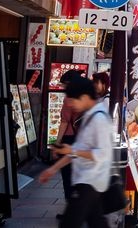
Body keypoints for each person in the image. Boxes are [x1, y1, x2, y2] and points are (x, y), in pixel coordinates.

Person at [39, 77, 113, 228]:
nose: (71, 105)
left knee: (69, 224)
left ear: (85, 97)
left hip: (90, 181)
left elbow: (102, 154)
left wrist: (72, 150)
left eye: (73, 100)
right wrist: (53, 169)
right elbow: (76, 150)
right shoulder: (89, 116)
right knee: (97, 223)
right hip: (88, 181)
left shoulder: (99, 118)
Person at [55, 70, 83, 207]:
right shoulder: (87, 97)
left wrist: (57, 142)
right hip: (83, 140)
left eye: (64, 85)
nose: (63, 88)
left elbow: (64, 122)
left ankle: (71, 208)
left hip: (70, 138)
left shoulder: (69, 99)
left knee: (67, 175)